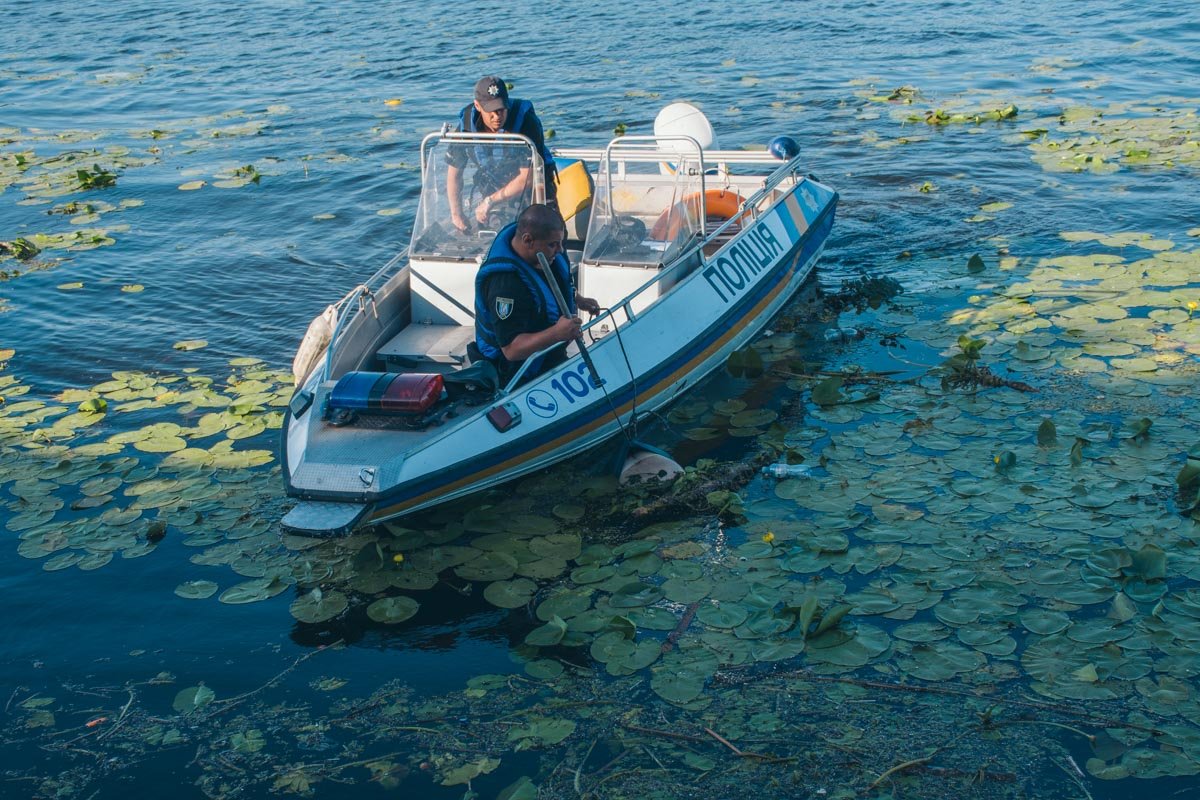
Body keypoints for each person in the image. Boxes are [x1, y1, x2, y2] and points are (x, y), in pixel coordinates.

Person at [474, 205, 599, 385]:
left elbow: (551, 285)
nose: (561, 250)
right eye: (553, 244)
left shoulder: (546, 255)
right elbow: (511, 349)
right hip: (518, 372)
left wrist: (579, 300)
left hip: (550, 355)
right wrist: (556, 333)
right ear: (528, 240)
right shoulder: (505, 286)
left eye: (561, 242)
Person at [447, 76, 558, 233]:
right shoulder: (465, 127)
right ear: (478, 106)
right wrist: (456, 213)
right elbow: (454, 173)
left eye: (501, 109)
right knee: (496, 232)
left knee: (548, 233)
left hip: (533, 185)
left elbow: (529, 177)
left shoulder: (527, 122)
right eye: (491, 111)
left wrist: (490, 201)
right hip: (496, 183)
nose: (497, 116)